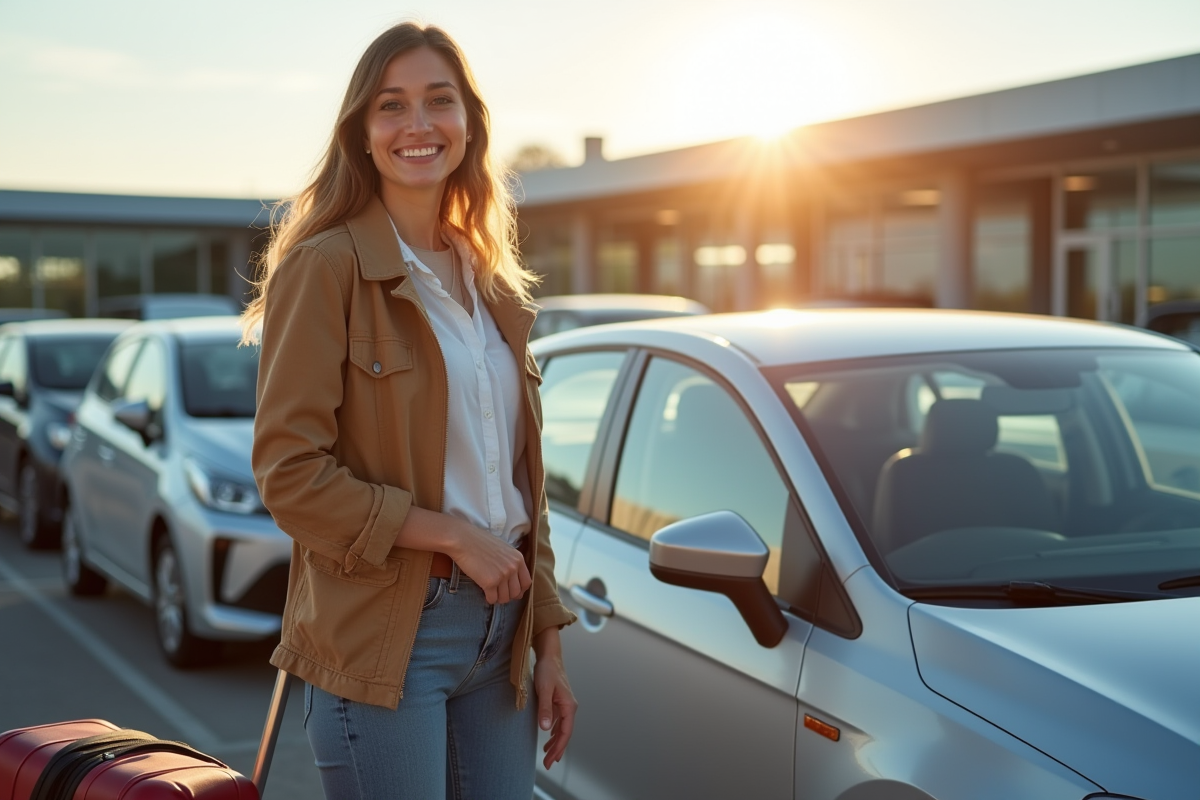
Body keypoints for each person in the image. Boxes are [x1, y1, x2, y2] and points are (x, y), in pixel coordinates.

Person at [242, 22, 578, 799]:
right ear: (362, 131)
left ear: (468, 124)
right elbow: (290, 477)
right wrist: (454, 537)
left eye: (439, 101)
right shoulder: (325, 267)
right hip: (390, 632)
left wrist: (548, 639)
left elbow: (522, 484)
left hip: (504, 637)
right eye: (391, 105)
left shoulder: (490, 279)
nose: (418, 124)